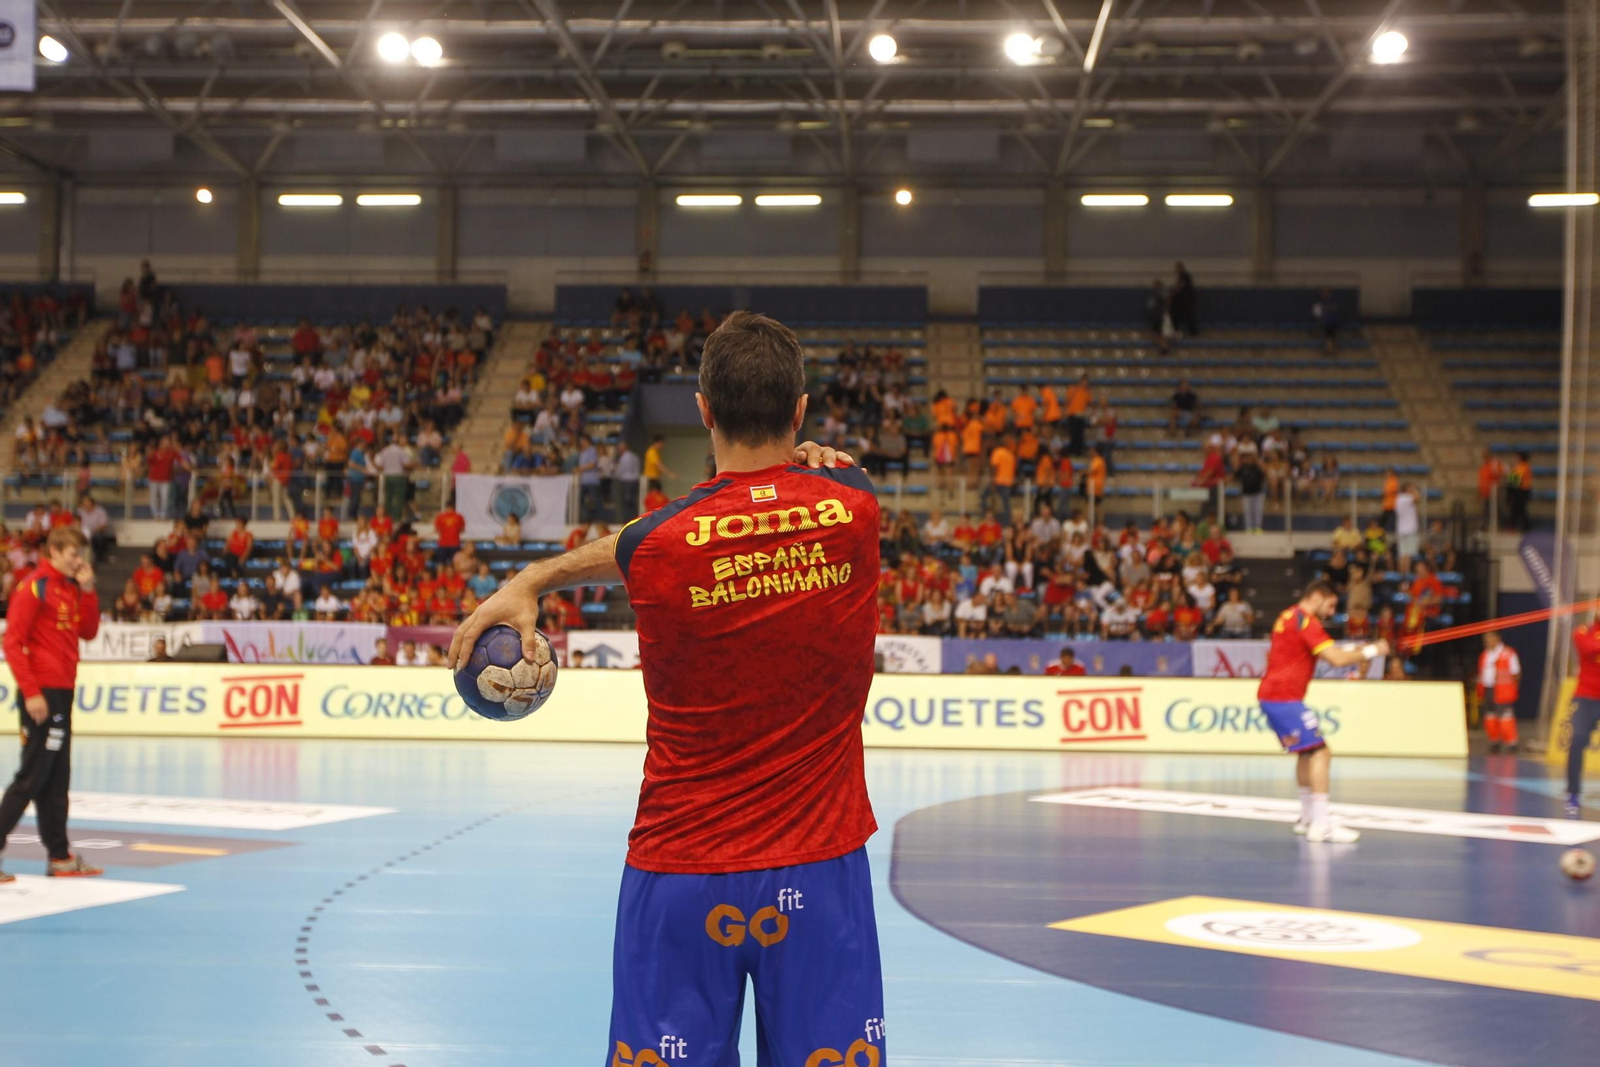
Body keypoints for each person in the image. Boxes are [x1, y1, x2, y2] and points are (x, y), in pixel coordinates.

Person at [450, 311, 885, 1063]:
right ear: (802, 411)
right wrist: (815, 463)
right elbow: (826, 481)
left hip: (680, 873)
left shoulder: (659, 545)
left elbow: (627, 546)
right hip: (820, 869)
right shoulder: (854, 507)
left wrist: (529, 578)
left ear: (704, 410)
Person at [0, 527, 104, 880]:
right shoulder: (33, 587)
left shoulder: (72, 587)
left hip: (63, 692)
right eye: (74, 554)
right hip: (41, 695)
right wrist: (31, 692)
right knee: (31, 778)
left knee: (57, 778)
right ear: (55, 551)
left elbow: (87, 631)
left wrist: (89, 591)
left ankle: (60, 856)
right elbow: (13, 643)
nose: (80, 561)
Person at [1257, 579, 1389, 844]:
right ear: (1317, 596)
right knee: (1320, 751)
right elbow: (1337, 659)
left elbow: (1324, 651)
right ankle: (1321, 824)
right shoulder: (1306, 622)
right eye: (1330, 605)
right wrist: (1375, 649)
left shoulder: (1288, 615)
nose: (1331, 613)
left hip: (1274, 695)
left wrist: (1361, 649)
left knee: (1306, 753)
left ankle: (1307, 817)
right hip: (1284, 698)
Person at [1567, 612, 1600, 816]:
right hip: (1586, 697)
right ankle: (1573, 793)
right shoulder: (1583, 631)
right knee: (1578, 738)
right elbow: (1588, 648)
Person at [1477, 631, 1521, 755]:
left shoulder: (1508, 653)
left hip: (1502, 690)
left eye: (1490, 639)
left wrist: (1511, 688)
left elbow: (1516, 673)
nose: (1487, 642)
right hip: (1488, 689)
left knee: (1505, 717)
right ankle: (1494, 741)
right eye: (1485, 639)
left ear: (1497, 638)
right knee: (1490, 717)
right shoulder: (1485, 654)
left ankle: (1511, 743)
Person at [1477, 448, 1504, 531]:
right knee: (1485, 510)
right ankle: (1485, 526)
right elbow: (1481, 480)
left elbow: (1500, 475)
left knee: (1495, 510)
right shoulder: (1484, 466)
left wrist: (1498, 487)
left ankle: (1498, 526)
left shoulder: (1494, 464)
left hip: (1493, 493)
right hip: (1485, 492)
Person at [1505, 451, 1533, 532]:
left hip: (1521, 491)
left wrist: (1510, 473)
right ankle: (1523, 526)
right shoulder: (1524, 467)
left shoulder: (1522, 467)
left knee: (1518, 509)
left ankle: (1520, 526)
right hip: (1522, 490)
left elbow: (1514, 481)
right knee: (1520, 509)